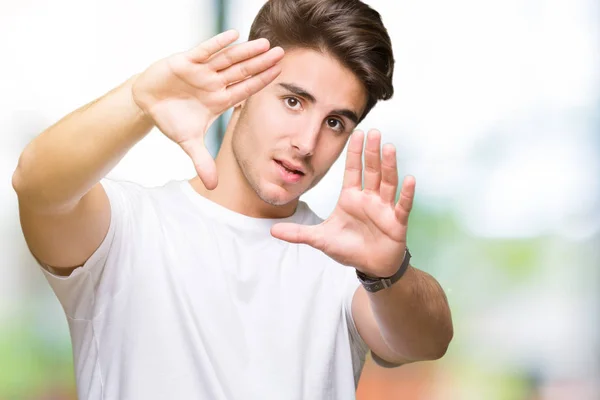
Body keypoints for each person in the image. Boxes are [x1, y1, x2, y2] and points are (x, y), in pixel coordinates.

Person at [12, 0, 453, 398]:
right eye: (294, 101)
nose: (306, 142)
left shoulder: (345, 263)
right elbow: (36, 187)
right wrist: (138, 100)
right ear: (241, 89)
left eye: (335, 122)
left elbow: (428, 342)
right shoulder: (128, 230)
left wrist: (388, 272)